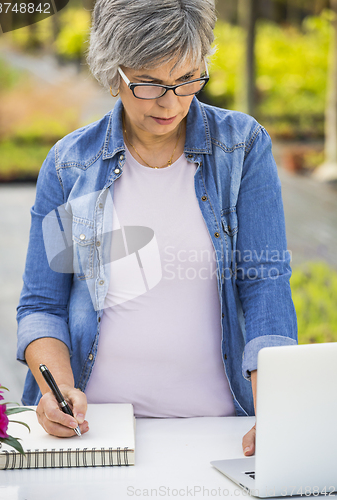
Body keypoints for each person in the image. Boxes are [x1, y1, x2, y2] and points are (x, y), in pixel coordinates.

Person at [16, 0, 297, 457]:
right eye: (149, 84)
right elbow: (42, 305)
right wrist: (58, 392)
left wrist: (277, 414)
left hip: (221, 430)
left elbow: (265, 284)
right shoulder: (70, 164)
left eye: (188, 79)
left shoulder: (242, 148)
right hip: (97, 433)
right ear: (114, 74)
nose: (171, 103)